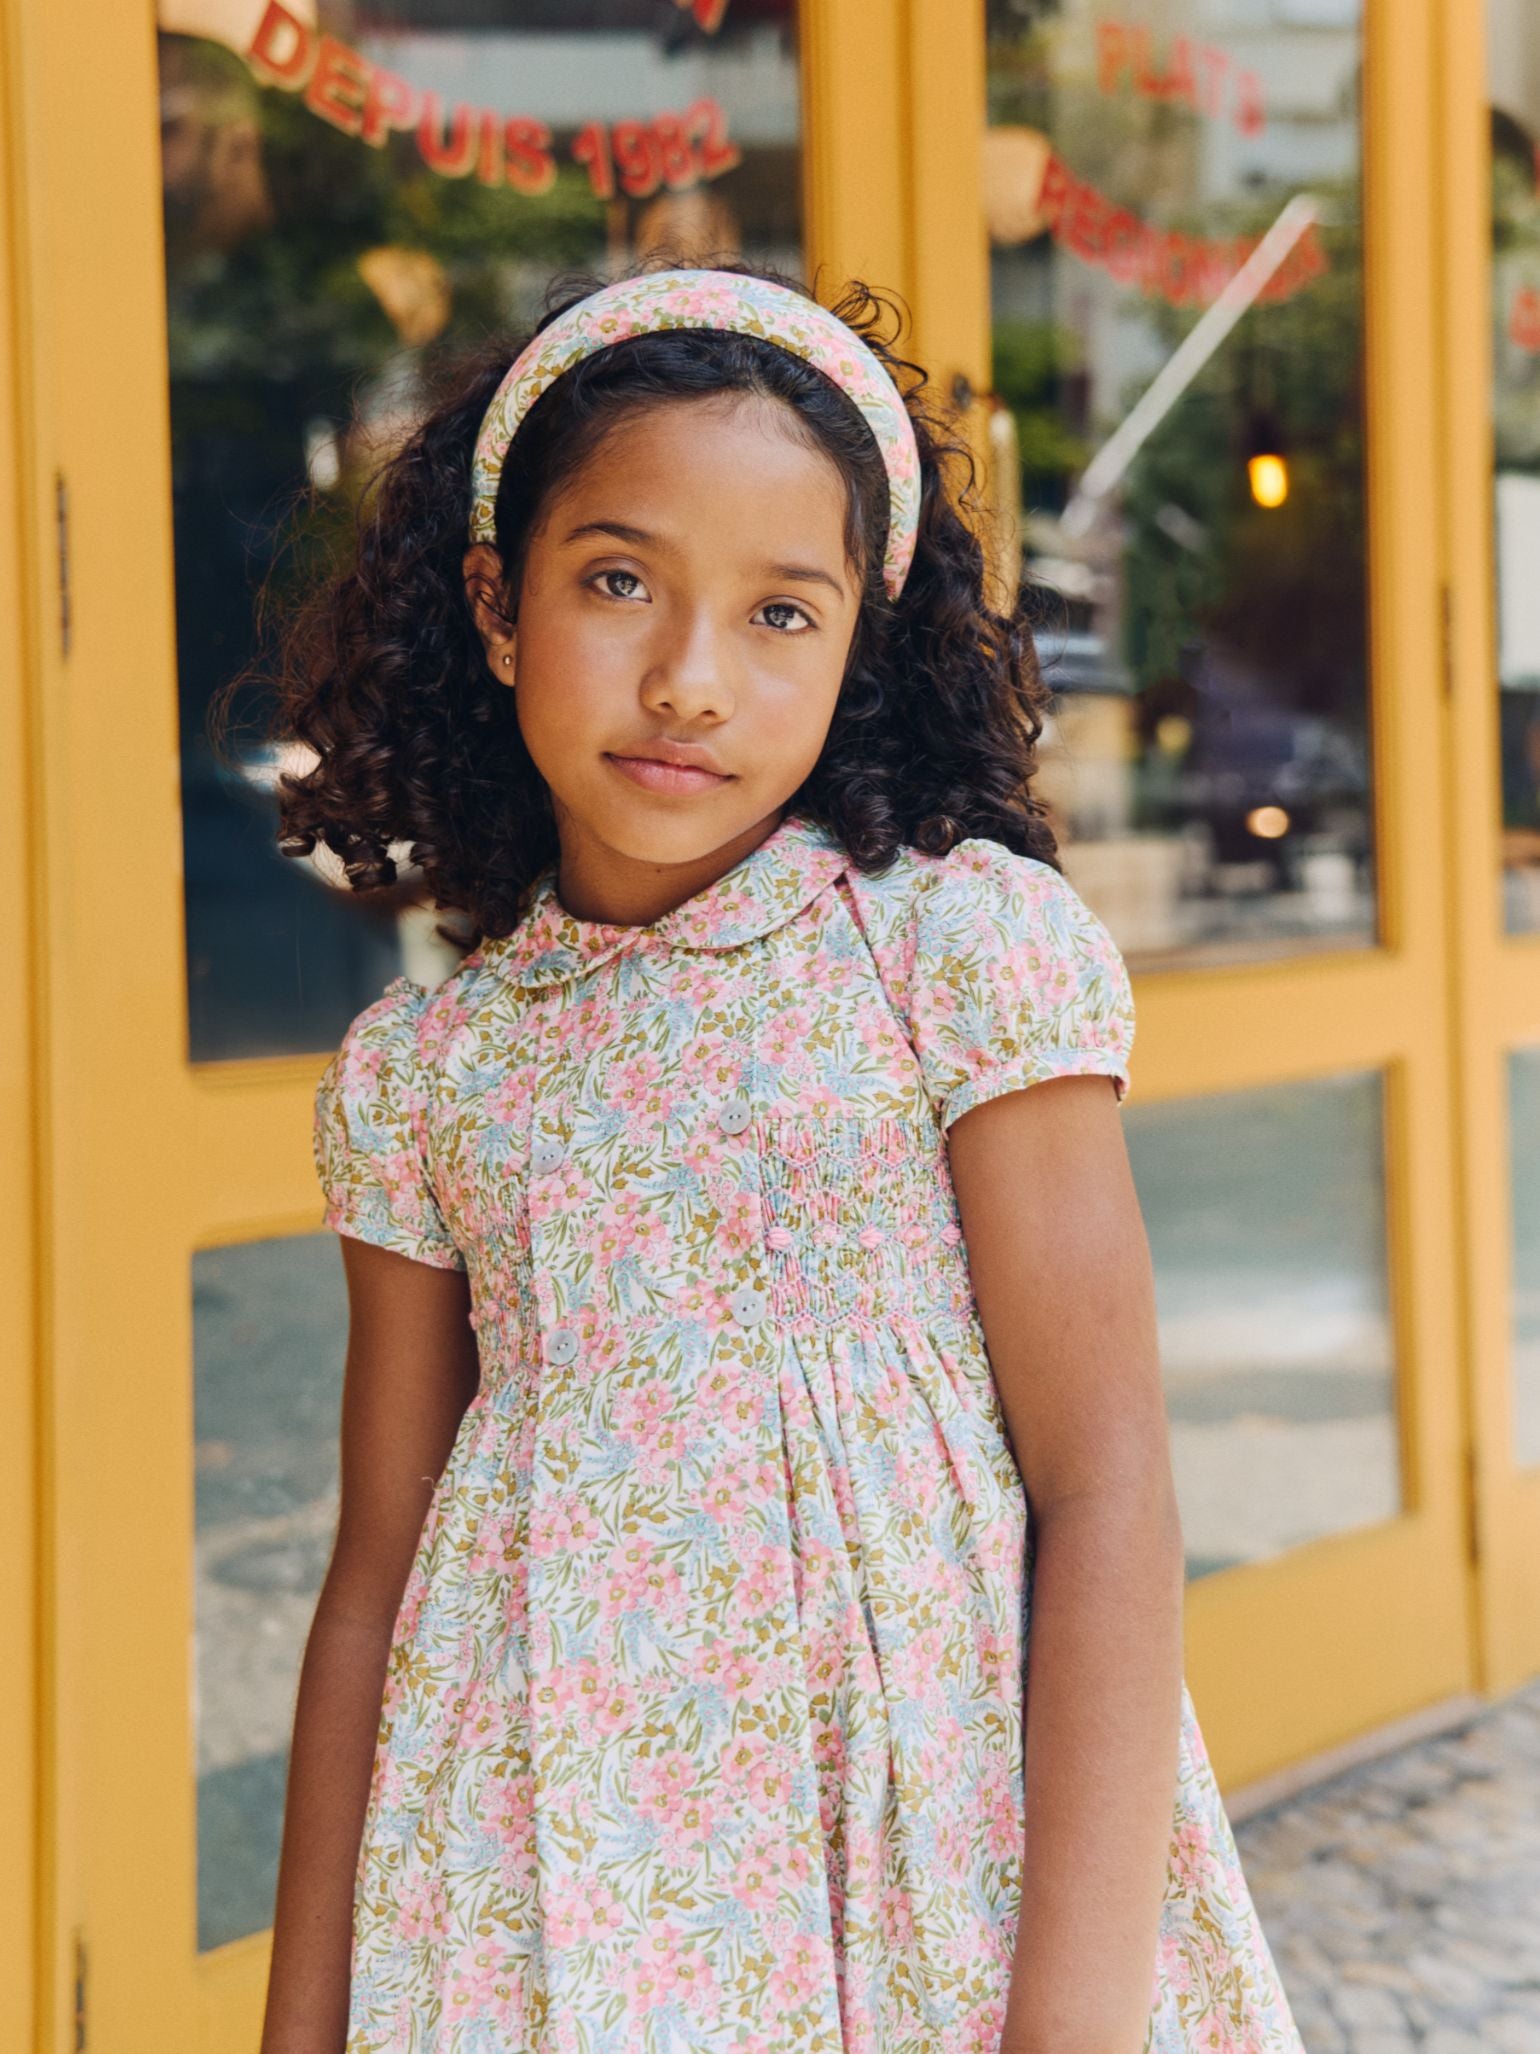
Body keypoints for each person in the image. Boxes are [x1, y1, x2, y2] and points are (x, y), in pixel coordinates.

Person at [254, 261, 1304, 2054]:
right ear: (499, 607)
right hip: (537, 1879)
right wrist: (303, 2023)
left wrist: (1074, 2021)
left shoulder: (956, 956)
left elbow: (1111, 1485)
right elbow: (377, 1571)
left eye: (779, 615)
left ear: (859, 645)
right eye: (617, 582)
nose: (687, 679)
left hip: (922, 1858)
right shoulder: (431, 1071)